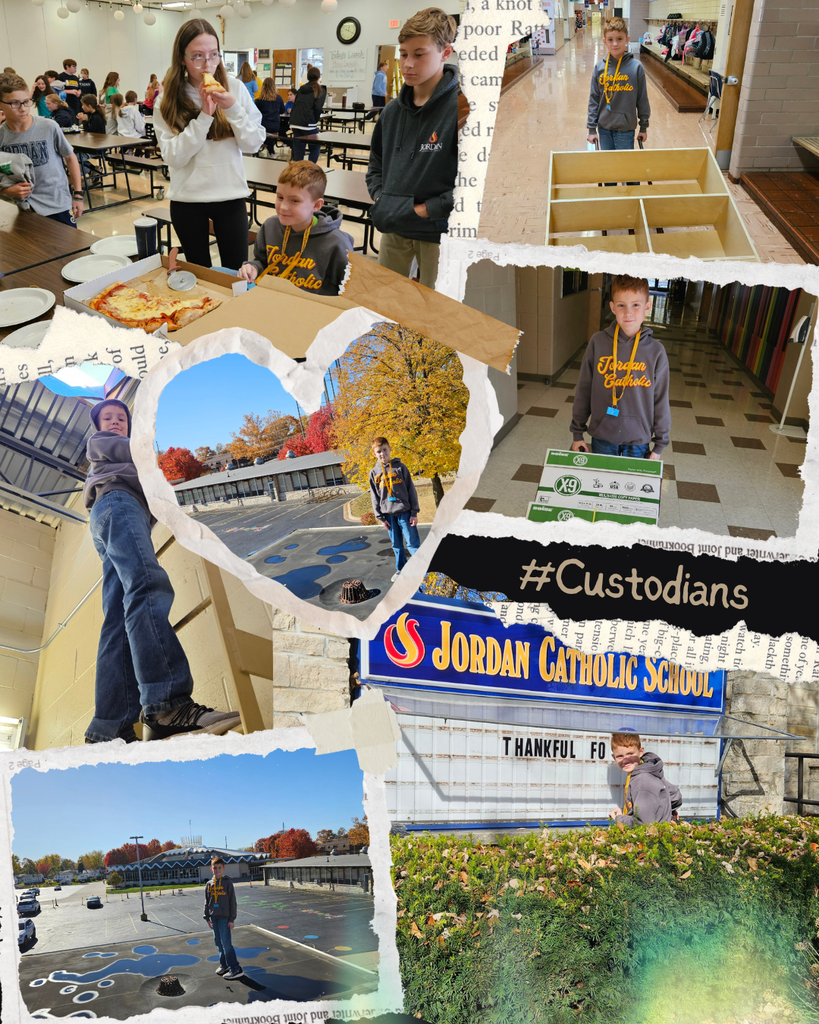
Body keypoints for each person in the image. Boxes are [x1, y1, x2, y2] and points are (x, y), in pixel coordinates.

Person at [82, 399, 242, 743]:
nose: (114, 422)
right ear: (98, 426)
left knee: (117, 619)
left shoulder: (118, 455)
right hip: (118, 504)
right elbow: (146, 471)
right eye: (107, 417)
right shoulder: (106, 445)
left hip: (109, 514)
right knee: (148, 586)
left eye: (121, 418)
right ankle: (167, 702)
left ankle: (108, 728)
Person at [153, 18, 265, 269]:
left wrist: (232, 108)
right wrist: (204, 116)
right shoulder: (168, 99)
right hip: (187, 200)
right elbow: (173, 157)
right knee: (199, 274)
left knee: (236, 273)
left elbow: (254, 143)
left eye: (214, 54)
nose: (208, 64)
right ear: (182, 58)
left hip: (230, 195)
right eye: (197, 56)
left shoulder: (234, 87)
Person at [365, 8, 458, 289]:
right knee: (389, 307)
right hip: (394, 229)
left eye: (419, 54)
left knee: (435, 315)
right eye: (403, 54)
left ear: (445, 52)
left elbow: (476, 185)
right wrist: (383, 200)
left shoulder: (464, 108)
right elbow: (375, 166)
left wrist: (423, 210)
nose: (407, 63)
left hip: (439, 234)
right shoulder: (391, 112)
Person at [570, 275, 670, 460]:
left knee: (631, 485)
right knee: (601, 484)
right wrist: (577, 433)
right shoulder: (598, 342)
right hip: (603, 435)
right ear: (612, 307)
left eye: (636, 305)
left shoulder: (656, 351)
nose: (628, 312)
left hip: (639, 439)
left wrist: (660, 444)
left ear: (647, 307)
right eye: (622, 305)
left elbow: (661, 400)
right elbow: (584, 390)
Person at [238, 160, 353, 295]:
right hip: (272, 300)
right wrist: (253, 268)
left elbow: (349, 291)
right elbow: (261, 262)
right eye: (280, 197)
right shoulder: (270, 227)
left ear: (316, 205)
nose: (283, 207)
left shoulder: (336, 243)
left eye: (294, 201)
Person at [0, 73, 83, 225]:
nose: (23, 108)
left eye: (26, 101)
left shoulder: (49, 127)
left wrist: (78, 195)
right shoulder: (2, 136)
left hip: (59, 205)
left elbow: (70, 158)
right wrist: (5, 191)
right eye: (15, 103)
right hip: (23, 210)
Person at [587, 17, 649, 155]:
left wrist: (643, 126)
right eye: (610, 40)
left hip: (625, 129)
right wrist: (592, 129)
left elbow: (642, 99)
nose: (615, 43)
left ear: (627, 39)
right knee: (609, 167)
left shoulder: (636, 68)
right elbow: (594, 99)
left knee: (625, 167)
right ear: (604, 41)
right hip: (604, 128)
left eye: (619, 39)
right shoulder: (599, 68)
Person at [369, 436, 420, 582]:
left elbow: (411, 490)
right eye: (379, 451)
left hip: (405, 513)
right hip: (388, 516)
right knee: (397, 545)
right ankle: (401, 570)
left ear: (390, 450)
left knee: (412, 543)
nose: (382, 453)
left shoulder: (400, 468)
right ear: (374, 454)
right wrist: (380, 517)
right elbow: (374, 497)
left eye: (384, 450)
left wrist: (414, 512)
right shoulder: (374, 473)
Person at [607, 732, 682, 825]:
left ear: (641, 752)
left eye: (630, 754)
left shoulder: (642, 780)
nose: (625, 760)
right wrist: (668, 809)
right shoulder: (648, 770)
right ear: (614, 757)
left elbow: (642, 823)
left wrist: (618, 818)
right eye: (620, 756)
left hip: (650, 838)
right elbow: (675, 794)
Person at [204, 857, 244, 981]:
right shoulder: (209, 884)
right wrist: (207, 917)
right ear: (211, 869)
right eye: (215, 868)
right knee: (218, 943)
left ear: (223, 868)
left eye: (219, 868)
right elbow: (207, 901)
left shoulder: (227, 883)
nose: (217, 870)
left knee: (226, 943)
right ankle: (224, 965)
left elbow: (233, 902)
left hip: (224, 918)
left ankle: (235, 968)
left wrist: (232, 919)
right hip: (214, 918)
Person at [289, 66, 325, 163]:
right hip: (308, 124)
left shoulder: (301, 88)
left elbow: (295, 104)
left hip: (295, 122)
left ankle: (298, 170)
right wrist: (315, 120)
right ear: (318, 77)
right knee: (315, 146)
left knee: (299, 148)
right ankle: (311, 168)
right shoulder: (320, 90)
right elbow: (318, 108)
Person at [255, 77, 286, 155]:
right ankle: (272, 151)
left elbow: (255, 112)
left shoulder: (259, 99)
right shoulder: (279, 98)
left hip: (263, 125)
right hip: (275, 125)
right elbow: (282, 110)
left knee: (264, 130)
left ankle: (270, 151)